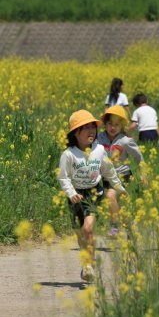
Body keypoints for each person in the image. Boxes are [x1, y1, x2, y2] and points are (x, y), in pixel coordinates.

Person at [58, 110, 126, 282]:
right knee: (81, 235)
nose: (91, 131)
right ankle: (87, 261)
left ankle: (89, 264)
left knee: (88, 229)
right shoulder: (68, 154)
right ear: (76, 133)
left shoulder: (99, 150)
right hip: (75, 195)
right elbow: (63, 177)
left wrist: (119, 187)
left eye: (93, 127)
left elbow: (109, 171)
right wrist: (72, 193)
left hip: (94, 193)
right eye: (86, 128)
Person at [98, 105, 144, 237]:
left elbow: (139, 158)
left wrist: (143, 174)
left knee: (110, 196)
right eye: (110, 124)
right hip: (107, 177)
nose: (113, 127)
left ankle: (114, 227)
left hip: (123, 175)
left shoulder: (126, 141)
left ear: (122, 126)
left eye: (117, 125)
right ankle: (131, 229)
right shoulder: (99, 138)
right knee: (121, 207)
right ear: (105, 124)